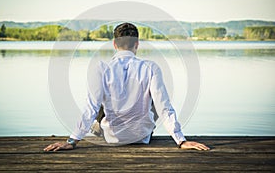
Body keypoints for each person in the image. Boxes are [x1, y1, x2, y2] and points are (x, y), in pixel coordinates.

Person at [44, 23, 209, 151]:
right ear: (137, 44)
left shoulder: (101, 68)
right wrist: (181, 140)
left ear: (114, 44)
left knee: (99, 99)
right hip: (142, 137)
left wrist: (72, 141)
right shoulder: (151, 67)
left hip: (111, 137)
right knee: (154, 98)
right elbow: (164, 107)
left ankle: (97, 127)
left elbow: (90, 107)